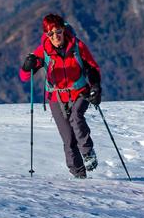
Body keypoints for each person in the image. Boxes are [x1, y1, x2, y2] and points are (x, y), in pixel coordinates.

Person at [19, 13, 102, 179]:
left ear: (63, 30)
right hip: (56, 98)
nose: (55, 36)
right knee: (68, 139)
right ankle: (79, 176)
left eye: (57, 32)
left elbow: (92, 68)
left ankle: (88, 153)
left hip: (80, 92)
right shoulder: (44, 51)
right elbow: (24, 77)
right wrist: (27, 67)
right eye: (50, 34)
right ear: (46, 35)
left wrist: (95, 87)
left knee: (76, 118)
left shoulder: (77, 46)